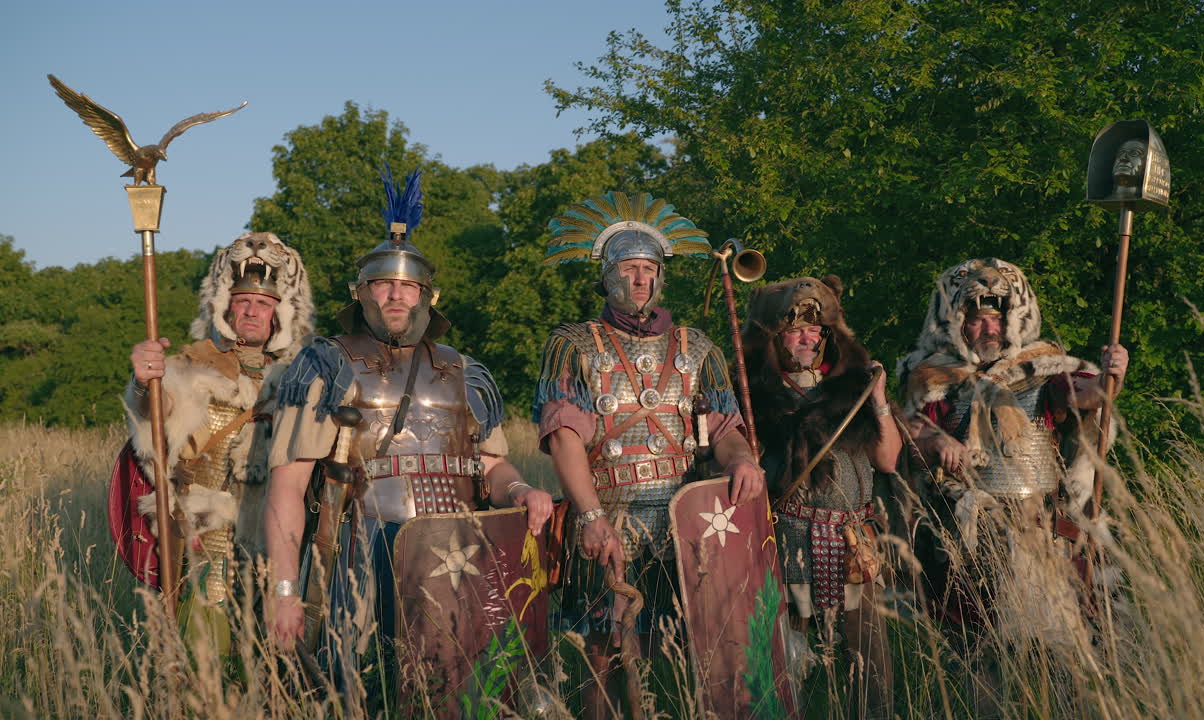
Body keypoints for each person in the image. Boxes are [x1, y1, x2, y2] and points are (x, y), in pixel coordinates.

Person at [262, 169, 552, 697]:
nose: (396, 295)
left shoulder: (465, 372)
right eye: (384, 283)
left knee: (451, 687)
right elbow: (287, 488)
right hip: (357, 555)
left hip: (455, 556)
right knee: (359, 689)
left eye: (408, 285)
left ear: (427, 295)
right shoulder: (326, 365)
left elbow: (492, 466)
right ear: (361, 291)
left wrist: (521, 491)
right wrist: (285, 591)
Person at [533, 191, 764, 719]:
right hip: (608, 513)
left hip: (687, 518)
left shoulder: (698, 347)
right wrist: (590, 516)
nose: (640, 279)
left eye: (649, 269)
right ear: (608, 275)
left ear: (661, 277)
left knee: (689, 646)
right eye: (629, 268)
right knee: (605, 651)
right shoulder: (574, 344)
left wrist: (741, 460)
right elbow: (565, 435)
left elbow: (724, 428)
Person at [897, 257, 1128, 651]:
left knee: (1055, 647)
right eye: (976, 319)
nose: (990, 328)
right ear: (957, 324)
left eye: (997, 318)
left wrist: (1112, 376)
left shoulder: (1042, 369)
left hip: (1039, 529)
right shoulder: (933, 375)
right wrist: (938, 441)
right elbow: (909, 433)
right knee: (983, 649)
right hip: (969, 536)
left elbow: (1086, 397)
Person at [124, 231, 314, 651]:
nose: (251, 311)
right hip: (207, 537)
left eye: (263, 304)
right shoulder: (191, 365)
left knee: (275, 658)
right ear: (227, 307)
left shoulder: (303, 377)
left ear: (279, 315)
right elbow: (156, 414)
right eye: (243, 302)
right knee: (206, 653)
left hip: (276, 534)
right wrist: (143, 382)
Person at [742, 274, 900, 716]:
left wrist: (880, 400)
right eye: (795, 329)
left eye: (815, 329)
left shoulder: (855, 387)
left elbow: (887, 460)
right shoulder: (755, 396)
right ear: (777, 337)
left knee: (866, 662)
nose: (807, 338)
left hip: (853, 544)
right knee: (786, 662)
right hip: (787, 539)